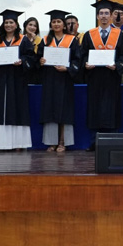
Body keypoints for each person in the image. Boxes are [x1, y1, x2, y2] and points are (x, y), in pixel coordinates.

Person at [81, 0, 123, 151]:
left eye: (107, 13)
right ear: (97, 16)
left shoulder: (120, 35)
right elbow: (82, 55)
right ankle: (95, 141)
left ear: (112, 16)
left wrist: (117, 66)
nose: (104, 16)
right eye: (101, 13)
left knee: (111, 108)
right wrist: (86, 64)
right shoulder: (89, 35)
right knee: (95, 108)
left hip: (112, 77)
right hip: (94, 77)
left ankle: (112, 140)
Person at [0, 9, 35, 151]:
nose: (8, 25)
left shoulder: (23, 40)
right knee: (0, 108)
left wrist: (22, 61)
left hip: (17, 80)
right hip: (0, 79)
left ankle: (19, 144)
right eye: (6, 22)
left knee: (17, 108)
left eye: (11, 22)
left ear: (16, 24)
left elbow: (31, 58)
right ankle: (0, 143)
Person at [39, 10, 81, 152]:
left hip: (64, 79)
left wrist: (68, 68)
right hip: (49, 78)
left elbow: (77, 60)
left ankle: (63, 141)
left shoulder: (71, 40)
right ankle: (51, 142)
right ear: (51, 25)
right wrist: (41, 60)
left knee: (64, 111)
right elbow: (38, 59)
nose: (56, 24)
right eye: (54, 22)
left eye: (59, 22)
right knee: (50, 110)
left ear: (64, 25)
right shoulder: (45, 40)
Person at [23, 16, 43, 85]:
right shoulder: (20, 39)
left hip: (35, 71)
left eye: (35, 26)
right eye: (30, 25)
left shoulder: (40, 40)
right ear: (26, 26)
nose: (32, 27)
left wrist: (33, 43)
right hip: (22, 70)